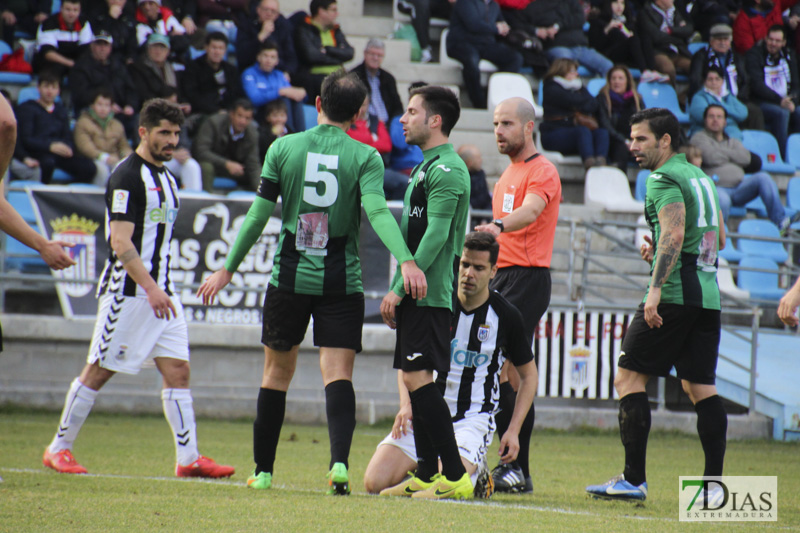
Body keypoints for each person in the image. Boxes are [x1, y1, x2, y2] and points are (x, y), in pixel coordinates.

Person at [197, 70, 426, 494]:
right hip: (341, 282)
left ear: (317, 105)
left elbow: (258, 214)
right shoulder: (367, 156)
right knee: (338, 374)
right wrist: (407, 260)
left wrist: (228, 267)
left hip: (288, 278)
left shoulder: (283, 147)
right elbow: (378, 213)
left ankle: (263, 471)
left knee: (275, 374)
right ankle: (339, 466)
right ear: (360, 114)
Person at [42, 98, 235, 479]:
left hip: (163, 292)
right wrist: (149, 287)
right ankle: (58, 448)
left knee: (178, 370)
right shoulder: (127, 176)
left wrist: (160, 288)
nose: (171, 140)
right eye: (164, 132)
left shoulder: (167, 176)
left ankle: (189, 458)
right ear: (143, 132)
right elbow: (120, 242)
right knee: (98, 370)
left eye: (176, 134)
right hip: (130, 293)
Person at [586, 107, 727, 502]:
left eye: (641, 138)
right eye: (631, 138)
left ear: (665, 141)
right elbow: (719, 241)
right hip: (707, 294)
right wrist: (673, 257)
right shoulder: (701, 177)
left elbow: (674, 232)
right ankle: (713, 488)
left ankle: (633, 479)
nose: (632, 146)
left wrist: (656, 287)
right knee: (701, 387)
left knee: (627, 378)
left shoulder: (661, 177)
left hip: (675, 296)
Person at [365, 231, 538, 497]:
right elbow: (409, 362)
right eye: (465, 265)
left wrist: (513, 431)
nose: (469, 273)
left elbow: (529, 377)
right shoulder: (436, 302)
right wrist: (406, 405)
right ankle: (439, 471)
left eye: (479, 268)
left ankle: (473, 473)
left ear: (494, 271)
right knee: (374, 482)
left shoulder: (506, 316)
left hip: (472, 419)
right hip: (427, 416)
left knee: (447, 475)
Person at [379, 85, 472, 500]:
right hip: (418, 292)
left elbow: (435, 236)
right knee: (417, 379)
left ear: (435, 121)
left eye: (412, 111)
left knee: (419, 378)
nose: (403, 118)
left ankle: (455, 477)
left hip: (429, 293)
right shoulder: (424, 167)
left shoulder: (448, 170)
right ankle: (428, 471)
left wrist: (399, 288)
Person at [474, 96, 561, 494]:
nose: (498, 132)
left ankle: (517, 468)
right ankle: (506, 463)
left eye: (506, 124)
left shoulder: (542, 171)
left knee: (511, 371)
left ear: (528, 128)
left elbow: (528, 213)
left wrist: (495, 226)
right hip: (503, 277)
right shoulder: (506, 174)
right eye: (495, 124)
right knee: (495, 371)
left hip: (527, 278)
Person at [690, 103, 791, 230]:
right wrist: (733, 156)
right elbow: (710, 157)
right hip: (716, 188)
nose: (715, 119)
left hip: (740, 188)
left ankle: (780, 223)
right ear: (705, 120)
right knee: (723, 200)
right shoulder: (698, 138)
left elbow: (746, 158)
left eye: (719, 117)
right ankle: (719, 238)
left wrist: (721, 152)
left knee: (763, 177)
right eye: (711, 116)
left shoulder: (733, 141)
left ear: (725, 122)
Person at [16, 72, 98, 185]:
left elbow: (67, 135)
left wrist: (68, 147)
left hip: (59, 153)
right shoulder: (27, 108)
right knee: (48, 163)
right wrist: (50, 146)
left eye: (53, 87)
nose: (50, 91)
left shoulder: (61, 110)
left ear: (58, 91)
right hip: (38, 152)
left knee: (89, 167)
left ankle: (67, 196)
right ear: (38, 88)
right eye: (46, 86)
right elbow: (27, 139)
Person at [446, 0, 523, 109]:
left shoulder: (494, 5)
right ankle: (479, 103)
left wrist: (503, 28)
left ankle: (491, 95)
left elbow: (502, 24)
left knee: (515, 58)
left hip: (486, 44)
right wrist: (496, 29)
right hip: (462, 42)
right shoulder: (465, 2)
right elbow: (473, 25)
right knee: (471, 60)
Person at [689, 23, 764, 131]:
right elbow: (695, 80)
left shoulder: (736, 57)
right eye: (719, 39)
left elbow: (745, 80)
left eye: (726, 39)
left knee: (755, 111)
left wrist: (738, 99)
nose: (723, 43)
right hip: (709, 98)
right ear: (711, 41)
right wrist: (713, 93)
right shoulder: (701, 56)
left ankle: (755, 143)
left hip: (733, 98)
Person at [69, 31, 140, 142]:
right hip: (94, 111)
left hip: (121, 112)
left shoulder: (118, 66)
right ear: (92, 46)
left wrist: (130, 105)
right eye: (99, 44)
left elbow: (131, 89)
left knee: (140, 121)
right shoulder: (81, 67)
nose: (102, 48)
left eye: (105, 45)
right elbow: (80, 95)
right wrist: (107, 105)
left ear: (110, 48)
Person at [540, 58, 610, 169]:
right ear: (562, 70)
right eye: (572, 71)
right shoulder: (550, 87)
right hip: (553, 134)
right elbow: (570, 100)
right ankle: (589, 164)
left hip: (575, 135)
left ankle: (601, 163)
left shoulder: (578, 86)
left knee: (601, 133)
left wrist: (581, 101)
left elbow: (593, 104)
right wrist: (582, 102)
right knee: (582, 131)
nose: (577, 74)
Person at [745, 24, 800, 158]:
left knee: (798, 112)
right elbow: (757, 85)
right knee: (781, 114)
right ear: (765, 38)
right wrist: (779, 101)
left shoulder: (789, 55)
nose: (773, 43)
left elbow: (796, 84)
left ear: (784, 42)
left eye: (777, 41)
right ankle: (781, 157)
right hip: (762, 102)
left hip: (785, 101)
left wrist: (792, 100)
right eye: (770, 39)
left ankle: (796, 156)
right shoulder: (754, 54)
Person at [526, 0, 614, 77]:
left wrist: (558, 26)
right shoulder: (535, 7)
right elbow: (520, 23)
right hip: (557, 46)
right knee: (566, 66)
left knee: (608, 66)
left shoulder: (571, 2)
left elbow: (580, 18)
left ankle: (607, 95)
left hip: (580, 47)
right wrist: (537, 30)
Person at [346, 96, 408, 200]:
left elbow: (386, 146)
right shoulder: (346, 122)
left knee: (405, 183)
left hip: (379, 169)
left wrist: (363, 142)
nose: (360, 109)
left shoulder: (375, 121)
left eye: (364, 105)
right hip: (355, 170)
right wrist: (372, 139)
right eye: (358, 105)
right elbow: (350, 143)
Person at [193, 98, 261, 192]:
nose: (242, 121)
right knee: (206, 167)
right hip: (212, 163)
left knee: (254, 174)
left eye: (247, 118)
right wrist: (226, 164)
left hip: (235, 169)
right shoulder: (213, 123)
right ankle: (208, 201)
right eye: (240, 116)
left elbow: (253, 165)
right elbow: (201, 151)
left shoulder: (252, 133)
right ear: (231, 114)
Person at [293, 0, 354, 101]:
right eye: (333, 10)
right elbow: (311, 56)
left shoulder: (335, 30)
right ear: (321, 11)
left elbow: (349, 53)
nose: (337, 14)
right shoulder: (304, 29)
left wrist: (328, 49)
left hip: (338, 77)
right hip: (315, 78)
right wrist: (338, 58)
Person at [241, 40, 307, 134]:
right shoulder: (249, 74)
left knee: (296, 101)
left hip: (278, 114)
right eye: (265, 56)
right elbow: (254, 99)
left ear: (277, 61)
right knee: (284, 99)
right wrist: (279, 92)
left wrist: (301, 93)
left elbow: (292, 94)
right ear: (258, 57)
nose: (268, 60)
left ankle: (301, 136)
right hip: (260, 113)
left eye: (272, 57)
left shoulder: (279, 75)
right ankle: (289, 135)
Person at [73, 88, 133, 186]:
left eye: (106, 105)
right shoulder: (83, 123)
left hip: (114, 158)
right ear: (92, 106)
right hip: (92, 159)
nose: (103, 108)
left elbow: (124, 146)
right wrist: (103, 157)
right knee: (102, 171)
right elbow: (85, 146)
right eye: (100, 104)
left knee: (125, 169)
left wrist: (126, 156)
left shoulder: (117, 124)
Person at [183, 31, 245, 118]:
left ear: (225, 50)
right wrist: (215, 111)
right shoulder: (193, 67)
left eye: (221, 48)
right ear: (206, 48)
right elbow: (193, 96)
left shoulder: (231, 70)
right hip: (202, 113)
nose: (217, 52)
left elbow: (237, 94)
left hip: (229, 113)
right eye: (214, 48)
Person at [597, 64, 646, 171]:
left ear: (627, 81)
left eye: (620, 78)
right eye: (613, 78)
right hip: (614, 141)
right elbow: (605, 125)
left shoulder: (636, 99)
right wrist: (625, 141)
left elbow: (644, 124)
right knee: (621, 150)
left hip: (633, 141)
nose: (616, 81)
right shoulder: (603, 98)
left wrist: (636, 142)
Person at [588, 0, 651, 79]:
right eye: (615, 2)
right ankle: (645, 72)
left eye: (622, 3)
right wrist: (607, 30)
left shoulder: (628, 21)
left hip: (627, 58)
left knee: (645, 36)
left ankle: (651, 70)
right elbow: (595, 47)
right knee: (631, 39)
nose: (619, 6)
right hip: (607, 56)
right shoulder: (598, 20)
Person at [638, 0, 694, 86]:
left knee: (696, 67)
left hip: (678, 51)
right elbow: (656, 37)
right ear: (658, 1)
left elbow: (689, 29)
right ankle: (671, 97)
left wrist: (671, 30)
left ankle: (682, 98)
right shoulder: (646, 13)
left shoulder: (675, 11)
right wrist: (678, 38)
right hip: (659, 51)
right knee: (668, 69)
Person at [350, 39, 404, 127]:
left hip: (388, 125)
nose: (375, 58)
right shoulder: (354, 76)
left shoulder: (389, 78)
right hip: (366, 124)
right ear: (365, 54)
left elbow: (398, 107)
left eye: (379, 55)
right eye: (372, 54)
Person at [33, 0, 93, 77]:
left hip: (73, 62)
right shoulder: (48, 24)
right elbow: (48, 54)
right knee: (56, 68)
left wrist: (78, 65)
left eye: (75, 10)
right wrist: (72, 64)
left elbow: (85, 49)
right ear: (61, 9)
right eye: (68, 10)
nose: (71, 14)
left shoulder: (84, 23)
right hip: (50, 63)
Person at [234, 0, 297, 73]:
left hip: (278, 71)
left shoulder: (283, 27)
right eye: (266, 9)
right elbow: (242, 56)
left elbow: (291, 57)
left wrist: (287, 72)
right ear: (258, 10)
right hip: (252, 71)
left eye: (273, 11)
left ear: (277, 15)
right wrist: (261, 37)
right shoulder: (246, 25)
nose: (269, 13)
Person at [688, 65, 748, 140]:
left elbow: (743, 114)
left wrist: (722, 106)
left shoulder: (727, 95)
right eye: (710, 79)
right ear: (704, 81)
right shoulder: (699, 97)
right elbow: (704, 118)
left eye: (717, 79)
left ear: (722, 81)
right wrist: (732, 118)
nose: (714, 82)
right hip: (706, 134)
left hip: (732, 133)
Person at [457, 144, 492, 210]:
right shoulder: (457, 178)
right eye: (478, 158)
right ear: (469, 162)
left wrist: (485, 218)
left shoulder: (480, 174)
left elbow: (486, 199)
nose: (481, 160)